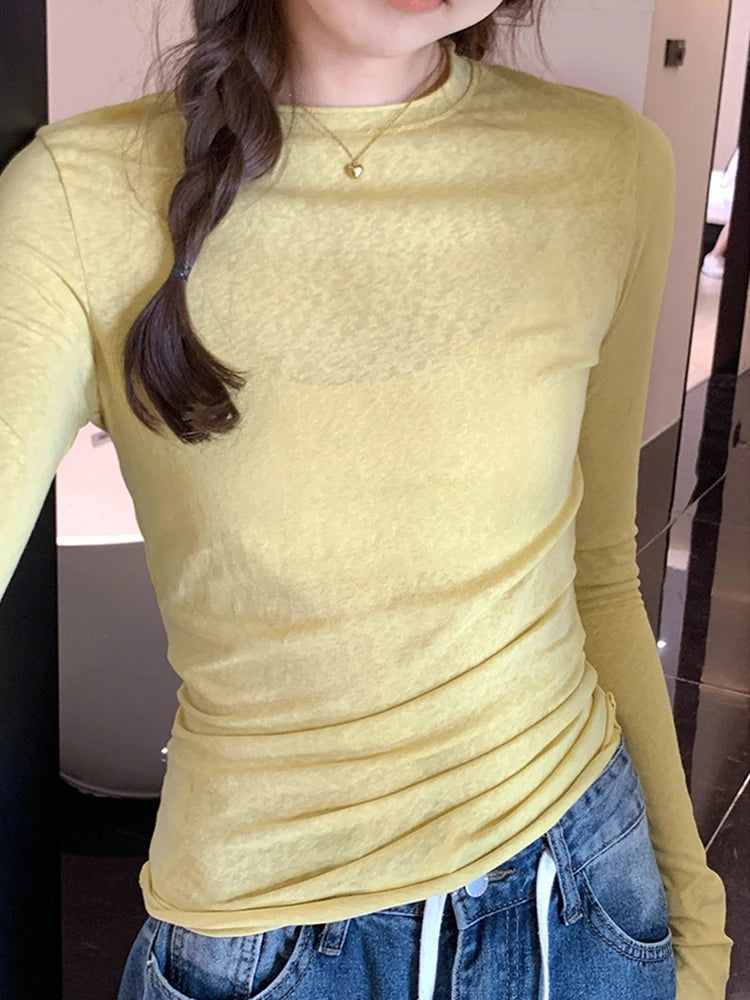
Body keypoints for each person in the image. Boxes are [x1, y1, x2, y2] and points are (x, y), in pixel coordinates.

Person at [0, 1, 733, 998]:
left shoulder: (609, 163)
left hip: (582, 896)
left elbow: (598, 569)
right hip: (267, 934)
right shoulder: (77, 198)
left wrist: (693, 919)